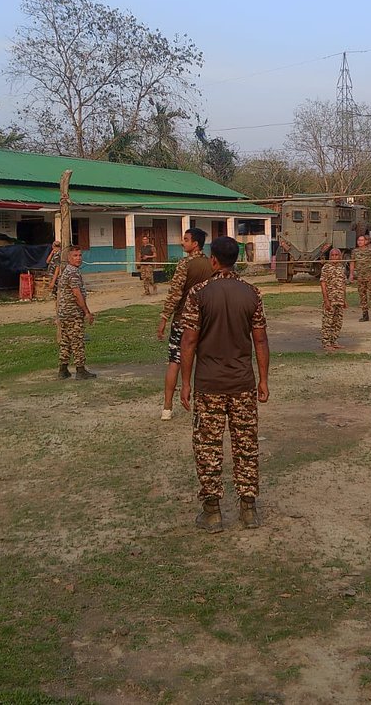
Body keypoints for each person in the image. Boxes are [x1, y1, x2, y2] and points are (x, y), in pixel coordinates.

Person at [180, 236, 270, 532]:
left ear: (213, 261)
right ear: (236, 260)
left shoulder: (198, 293)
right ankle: (248, 510)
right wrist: (263, 380)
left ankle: (212, 512)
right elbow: (260, 339)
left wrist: (185, 383)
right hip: (243, 383)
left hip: (209, 385)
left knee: (208, 447)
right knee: (246, 446)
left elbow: (189, 341)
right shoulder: (252, 293)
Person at [156, 227, 213, 420]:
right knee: (205, 362)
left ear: (195, 244)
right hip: (205, 321)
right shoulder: (210, 264)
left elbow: (175, 294)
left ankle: (167, 407)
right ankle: (205, 405)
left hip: (183, 320)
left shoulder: (184, 264)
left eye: (186, 239)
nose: (183, 242)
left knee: (175, 361)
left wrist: (164, 317)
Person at [56, 246, 96, 380]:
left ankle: (63, 369)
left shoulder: (67, 271)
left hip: (64, 313)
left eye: (79, 255)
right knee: (77, 341)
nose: (78, 258)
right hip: (72, 313)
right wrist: (86, 312)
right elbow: (77, 293)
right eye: (75, 256)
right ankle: (80, 370)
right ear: (68, 258)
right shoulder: (72, 272)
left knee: (66, 341)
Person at [319, 248, 348, 351]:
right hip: (330, 300)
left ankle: (334, 341)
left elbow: (343, 284)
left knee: (337, 322)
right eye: (333, 255)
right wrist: (326, 300)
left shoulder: (341, 268)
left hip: (339, 300)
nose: (335, 257)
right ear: (330, 257)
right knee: (328, 321)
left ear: (340, 257)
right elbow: (323, 284)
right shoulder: (326, 267)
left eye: (337, 255)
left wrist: (344, 299)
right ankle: (326, 343)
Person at [351, 232, 371, 322]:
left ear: (365, 242)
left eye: (362, 240)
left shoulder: (370, 251)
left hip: (370, 277)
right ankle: (365, 315)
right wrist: (351, 274)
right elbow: (352, 263)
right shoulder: (355, 252)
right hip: (360, 277)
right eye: (358, 240)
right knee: (362, 296)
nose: (360, 242)